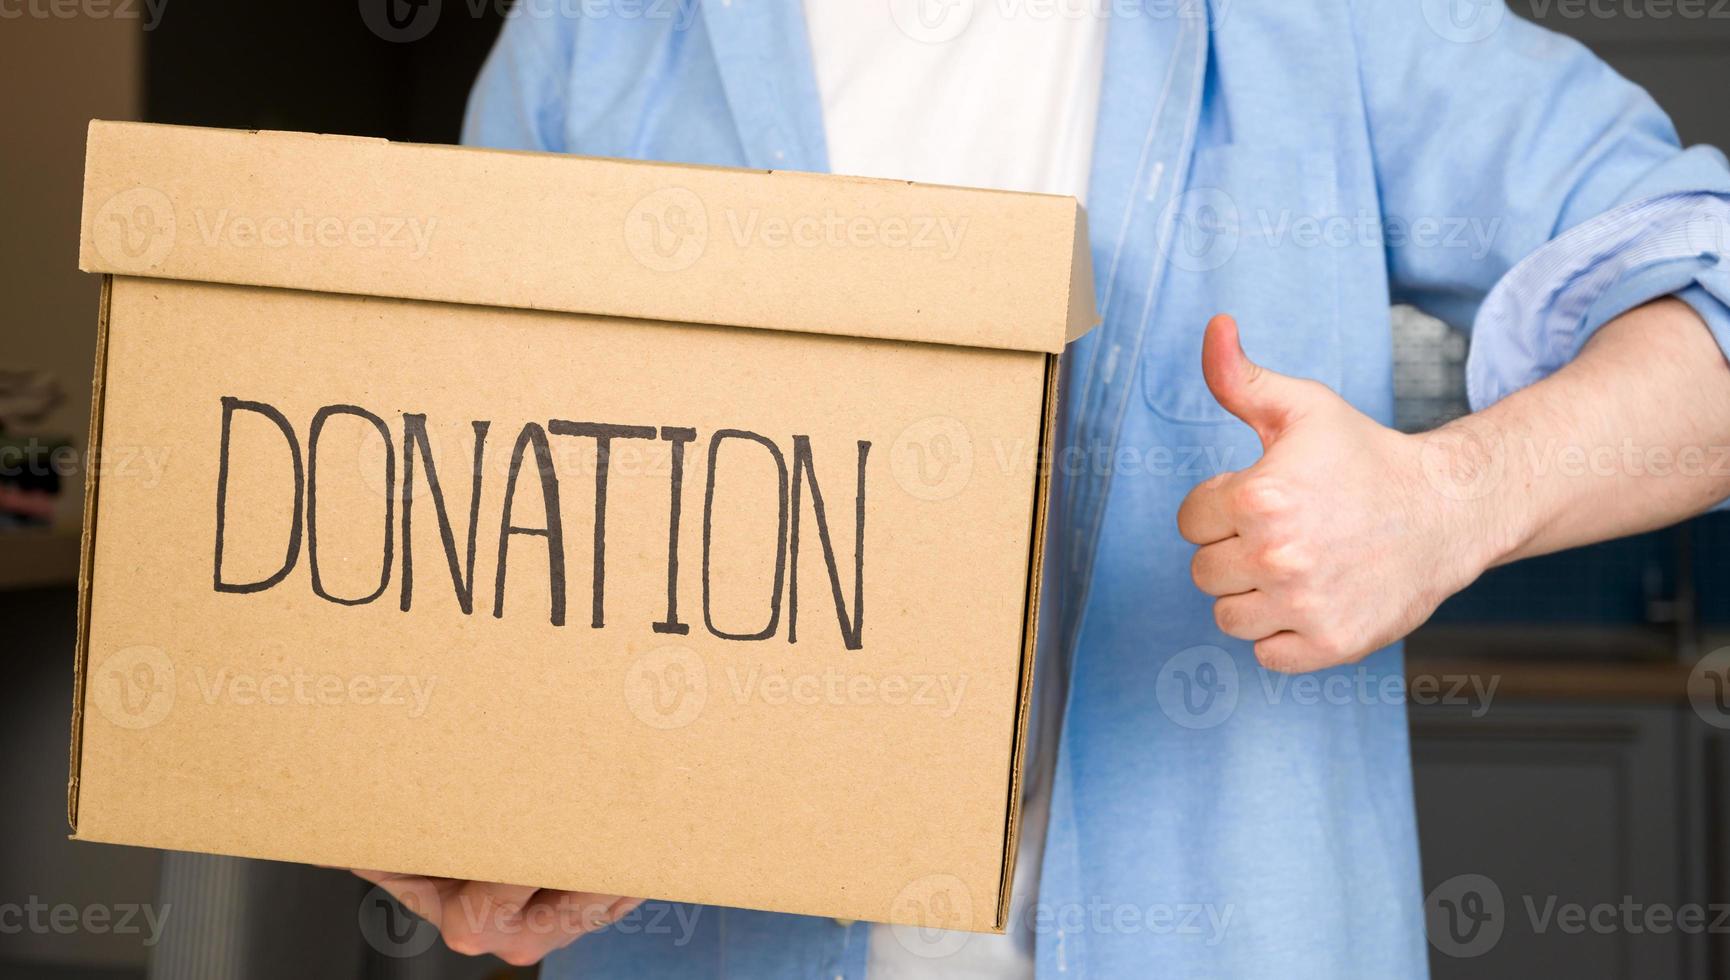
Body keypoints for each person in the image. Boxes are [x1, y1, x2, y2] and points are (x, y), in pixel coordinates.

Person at [356, 0, 1730, 975]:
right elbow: (489, 552)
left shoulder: (1327, 21)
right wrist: (480, 813)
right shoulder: (591, 32)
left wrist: (1452, 501)